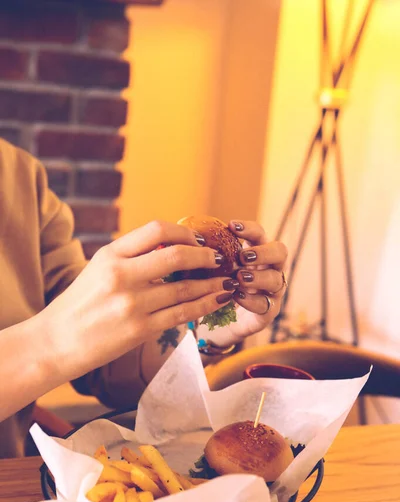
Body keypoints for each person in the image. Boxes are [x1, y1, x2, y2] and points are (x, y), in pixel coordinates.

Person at [0, 139, 288, 457]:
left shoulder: (20, 177)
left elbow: (99, 358)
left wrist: (207, 324)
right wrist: (50, 342)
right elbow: (64, 339)